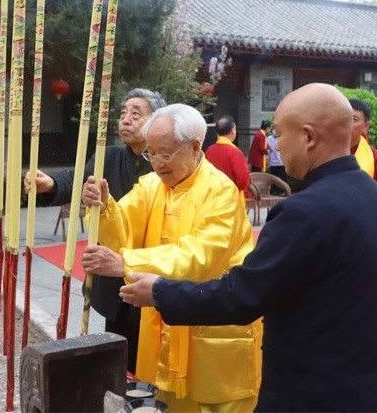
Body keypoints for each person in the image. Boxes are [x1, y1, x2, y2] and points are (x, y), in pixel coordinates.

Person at [119, 84, 377, 412]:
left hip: (314, 395)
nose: (277, 147)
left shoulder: (304, 212)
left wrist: (161, 292)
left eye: (280, 135)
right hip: (373, 393)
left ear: (309, 137)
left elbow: (241, 296)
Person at [81, 104, 262, 412]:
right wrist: (104, 207)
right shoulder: (152, 185)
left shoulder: (221, 192)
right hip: (165, 324)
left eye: (165, 154)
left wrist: (127, 264)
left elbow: (200, 257)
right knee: (164, 401)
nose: (157, 165)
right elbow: (123, 224)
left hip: (213, 326)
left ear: (194, 147)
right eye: (151, 154)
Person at [24, 88, 165, 373]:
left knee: (153, 352)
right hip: (113, 273)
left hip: (152, 264)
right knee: (119, 343)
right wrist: (50, 183)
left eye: (135, 114)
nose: (125, 119)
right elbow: (78, 179)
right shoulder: (109, 156)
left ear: (157, 120)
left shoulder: (166, 162)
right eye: (123, 113)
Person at [348, 99, 377, 188]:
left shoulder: (376, 159)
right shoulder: (325, 152)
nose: (348, 123)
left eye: (354, 119)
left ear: (366, 126)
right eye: (345, 118)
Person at [205, 115, 250, 193]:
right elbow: (243, 181)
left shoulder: (209, 150)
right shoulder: (235, 152)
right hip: (230, 197)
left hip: (212, 196)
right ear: (233, 130)